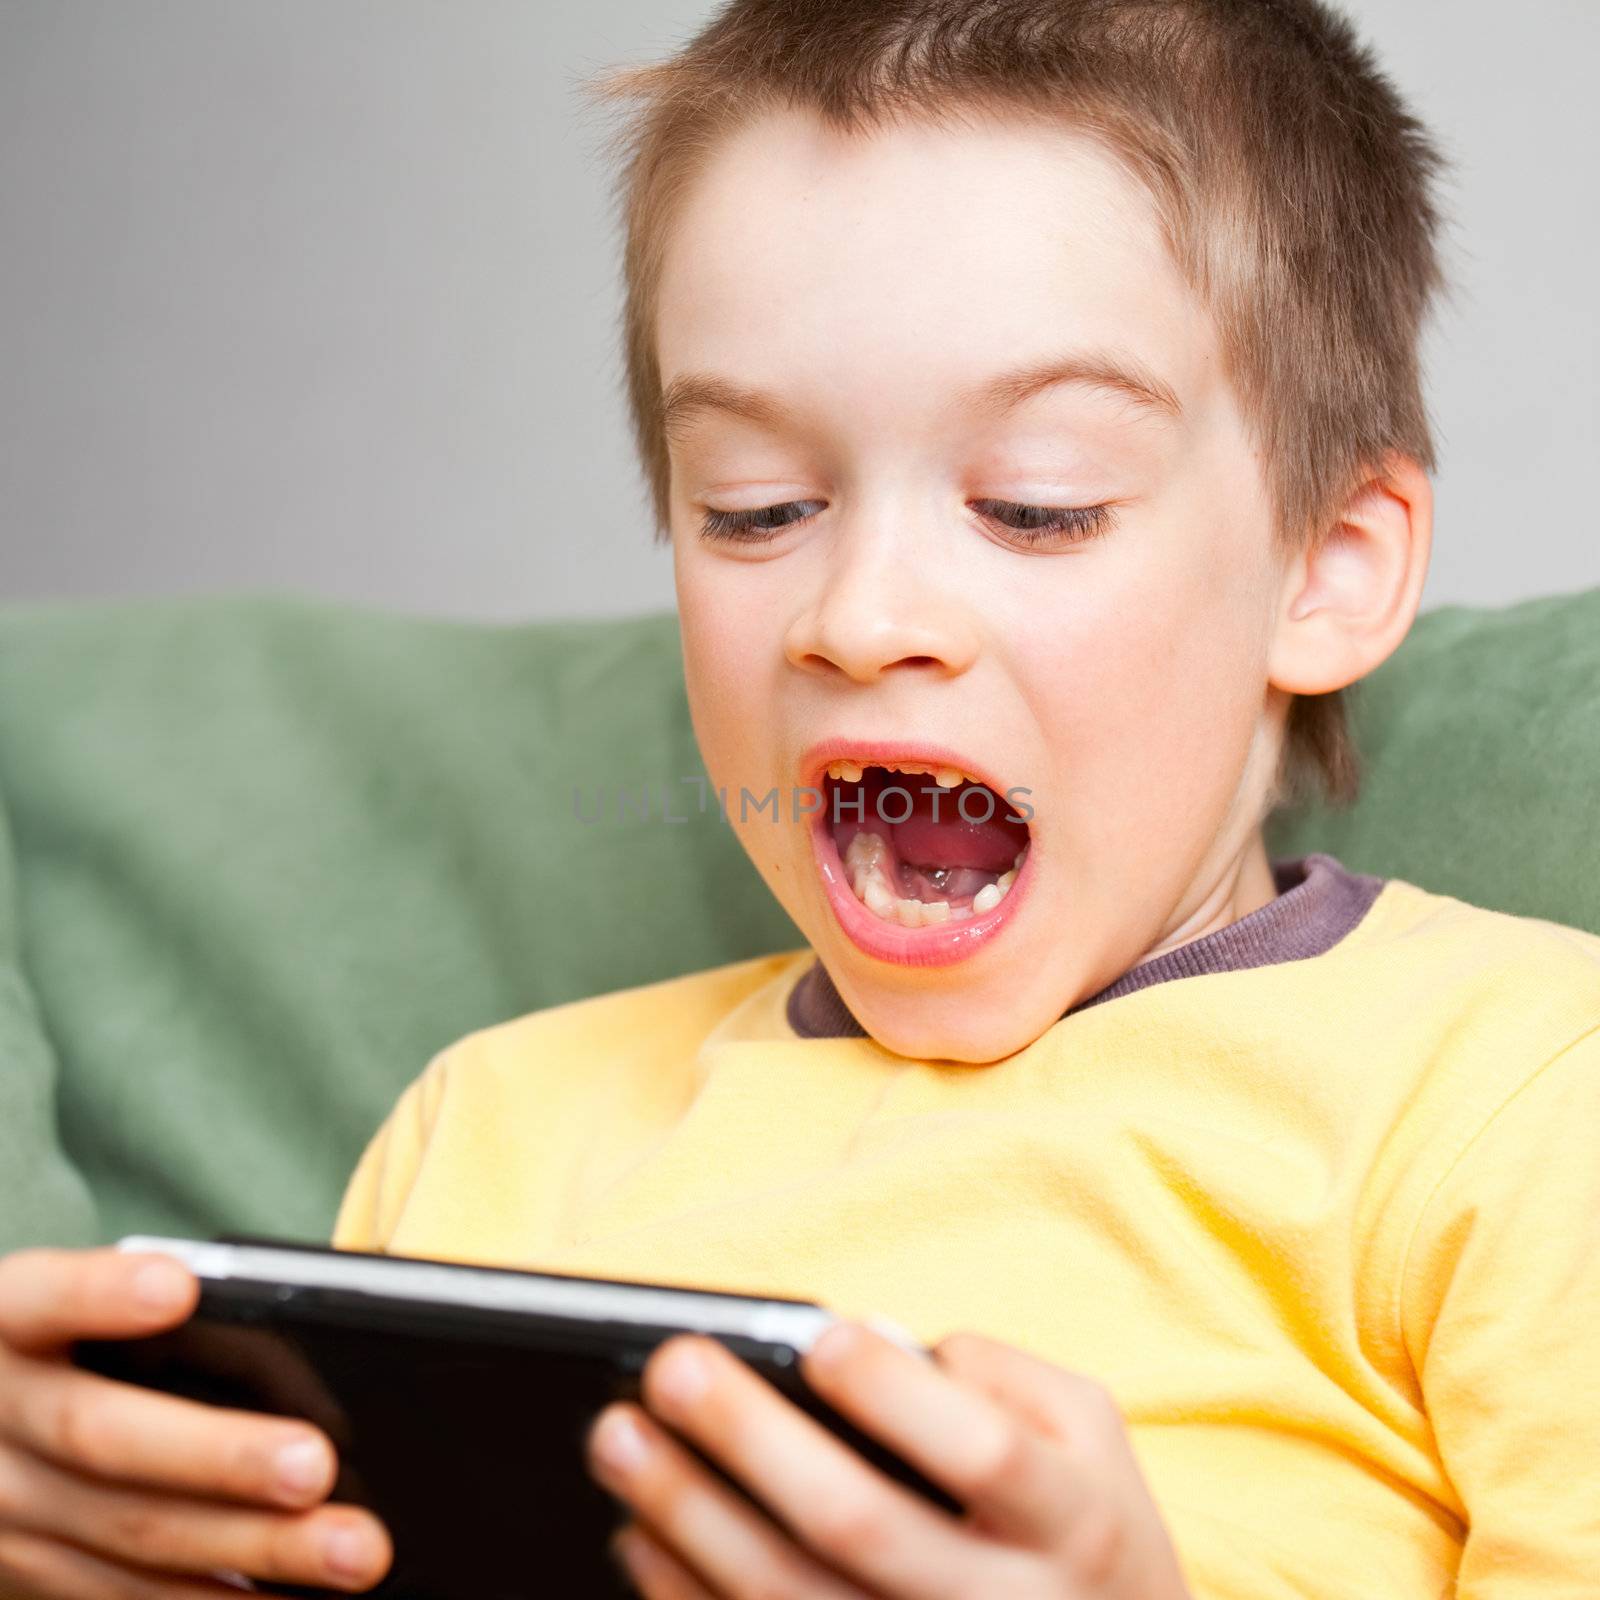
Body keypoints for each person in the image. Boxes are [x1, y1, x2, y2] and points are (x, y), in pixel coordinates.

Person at [2, 1, 1597, 1595]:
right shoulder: (493, 1137)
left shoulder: (1516, 1096)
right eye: (757, 511)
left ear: (1328, 568)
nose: (856, 612)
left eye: (1036, 506)